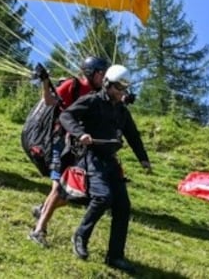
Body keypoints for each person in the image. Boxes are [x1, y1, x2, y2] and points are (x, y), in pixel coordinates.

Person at [59, 64, 151, 273]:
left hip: (110, 160)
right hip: (91, 157)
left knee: (123, 206)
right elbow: (66, 116)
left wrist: (143, 159)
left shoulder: (121, 111)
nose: (121, 93)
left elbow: (133, 135)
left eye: (124, 89)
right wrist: (79, 133)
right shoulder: (92, 101)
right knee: (102, 197)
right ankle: (80, 236)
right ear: (107, 84)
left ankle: (115, 256)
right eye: (118, 88)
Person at [28, 56, 109, 247]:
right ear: (91, 73)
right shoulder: (72, 86)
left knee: (71, 194)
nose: (104, 77)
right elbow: (49, 102)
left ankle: (43, 209)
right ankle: (38, 231)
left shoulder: (100, 94)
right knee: (58, 188)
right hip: (61, 142)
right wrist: (46, 82)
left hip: (80, 147)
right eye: (101, 73)